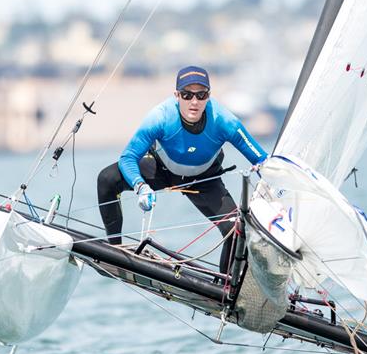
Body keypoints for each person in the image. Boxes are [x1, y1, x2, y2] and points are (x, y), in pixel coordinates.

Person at [96, 65, 267, 273]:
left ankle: (224, 289)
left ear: (209, 96)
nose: (194, 102)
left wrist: (277, 194)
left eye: (201, 95)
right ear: (177, 95)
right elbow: (128, 158)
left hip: (204, 179)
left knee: (237, 229)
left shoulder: (225, 121)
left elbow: (262, 162)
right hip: (161, 170)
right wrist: (140, 186)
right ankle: (115, 252)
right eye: (187, 95)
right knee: (107, 178)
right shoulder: (160, 117)